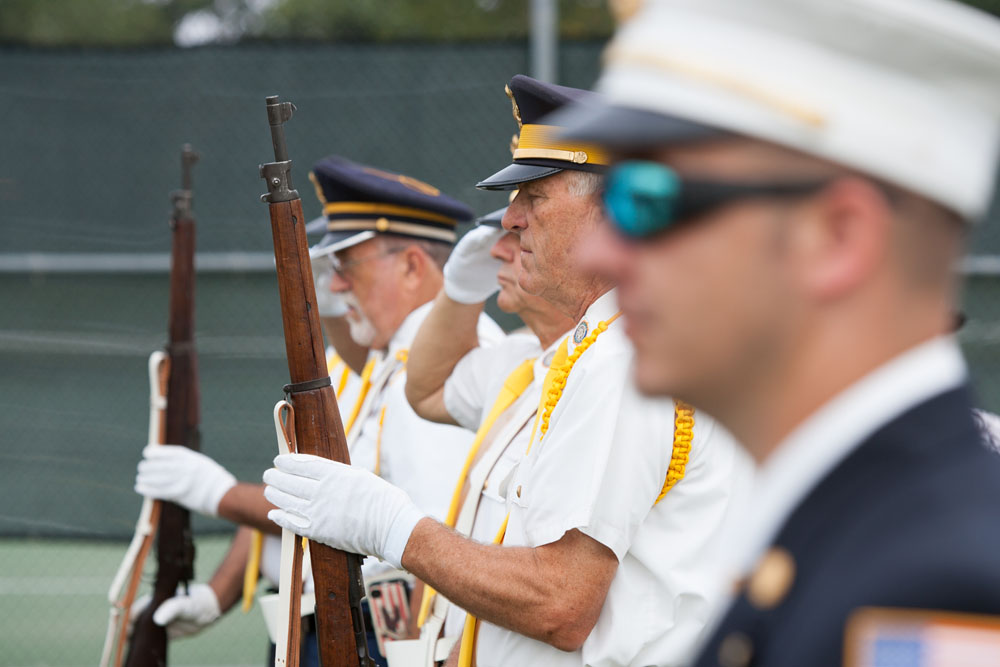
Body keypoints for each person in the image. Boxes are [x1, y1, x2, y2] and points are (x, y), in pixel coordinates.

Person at [554, 0, 1000, 664]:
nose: (600, 253)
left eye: (649, 200)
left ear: (838, 236)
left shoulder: (936, 593)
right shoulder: (851, 531)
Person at [263, 75, 751, 667]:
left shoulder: (624, 359)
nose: (511, 219)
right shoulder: (601, 348)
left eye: (535, 196)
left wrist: (393, 528)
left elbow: (560, 604)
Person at [134, 157, 502, 665]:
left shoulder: (441, 364)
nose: (336, 286)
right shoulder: (379, 357)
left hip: (381, 635)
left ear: (412, 266)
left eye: (346, 266)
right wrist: (216, 595)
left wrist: (221, 495)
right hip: (325, 626)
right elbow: (302, 488)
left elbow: (436, 539)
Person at [397, 206, 575, 663]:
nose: (498, 251)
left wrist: (396, 531)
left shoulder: (601, 375)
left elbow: (562, 597)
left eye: (519, 236)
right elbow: (426, 390)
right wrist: (461, 290)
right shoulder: (519, 359)